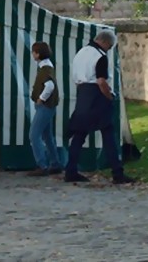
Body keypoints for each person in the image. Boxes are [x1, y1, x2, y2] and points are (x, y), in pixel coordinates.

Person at [64, 30, 135, 185]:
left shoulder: (80, 53)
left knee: (79, 135)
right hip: (97, 96)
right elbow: (101, 81)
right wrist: (109, 97)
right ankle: (117, 173)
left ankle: (71, 170)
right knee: (108, 135)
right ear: (104, 42)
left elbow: (77, 79)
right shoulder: (100, 57)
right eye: (108, 47)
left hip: (83, 94)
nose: (108, 50)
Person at [27, 41, 63, 176]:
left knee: (34, 134)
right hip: (48, 106)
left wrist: (41, 98)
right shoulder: (47, 67)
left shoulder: (45, 69)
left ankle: (42, 165)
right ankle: (55, 163)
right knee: (47, 136)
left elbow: (49, 86)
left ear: (37, 54)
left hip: (45, 106)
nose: (32, 54)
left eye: (34, 52)